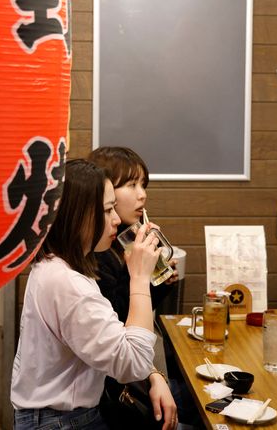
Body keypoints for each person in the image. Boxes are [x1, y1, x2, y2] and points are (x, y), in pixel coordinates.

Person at [11, 159, 178, 430]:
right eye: (108, 209)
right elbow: (132, 362)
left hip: (59, 416)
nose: (115, 219)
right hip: (62, 421)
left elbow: (113, 340)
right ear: (76, 215)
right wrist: (139, 278)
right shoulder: (66, 283)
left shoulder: (59, 266)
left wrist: (153, 373)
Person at [87, 146, 180, 429]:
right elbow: (117, 321)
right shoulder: (95, 253)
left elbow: (137, 311)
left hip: (131, 373)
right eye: (131, 184)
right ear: (105, 191)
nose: (142, 194)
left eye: (143, 185)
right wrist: (137, 272)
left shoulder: (121, 242)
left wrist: (159, 281)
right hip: (112, 388)